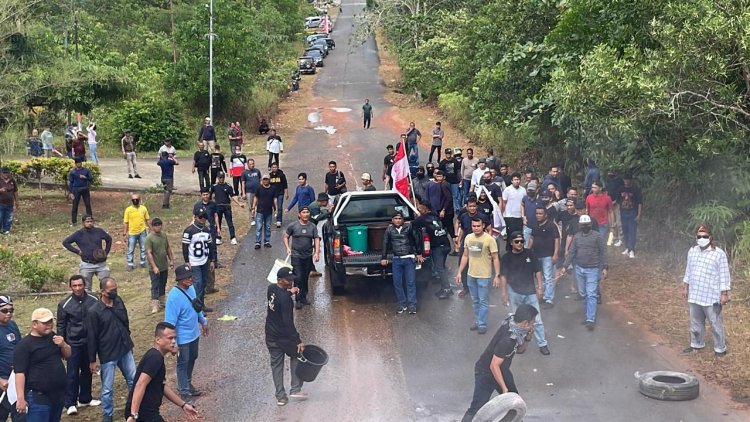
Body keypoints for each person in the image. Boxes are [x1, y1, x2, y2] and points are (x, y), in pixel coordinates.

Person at [460, 305, 538, 422]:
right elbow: (493, 365)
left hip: (502, 370)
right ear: (525, 323)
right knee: (477, 407)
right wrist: (504, 388)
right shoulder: (508, 340)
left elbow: (520, 350)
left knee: (514, 403)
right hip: (485, 372)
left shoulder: (515, 328)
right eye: (533, 322)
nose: (534, 324)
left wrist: (528, 338)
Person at [125, 322, 199, 422]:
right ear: (158, 340)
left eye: (175, 338)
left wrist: (183, 405)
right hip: (144, 414)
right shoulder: (155, 358)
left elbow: (162, 386)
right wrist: (134, 415)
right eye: (170, 338)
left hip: (148, 413)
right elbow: (140, 384)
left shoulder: (157, 356)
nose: (173, 342)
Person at [87, 278, 136, 422]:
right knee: (107, 389)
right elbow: (92, 337)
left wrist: (128, 341)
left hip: (125, 348)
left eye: (116, 288)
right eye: (111, 290)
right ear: (102, 291)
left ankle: (134, 409)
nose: (115, 292)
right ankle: (107, 415)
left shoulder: (119, 301)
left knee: (133, 380)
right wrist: (92, 360)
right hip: (108, 353)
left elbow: (125, 321)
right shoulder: (94, 311)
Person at [13, 308, 71, 421]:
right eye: (45, 323)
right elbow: (19, 373)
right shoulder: (24, 346)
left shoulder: (53, 337)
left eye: (50, 322)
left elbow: (68, 355)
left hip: (58, 394)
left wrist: (63, 344)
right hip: (38, 397)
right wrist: (20, 398)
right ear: (34, 324)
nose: (49, 325)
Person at [682, 224, 731, 357]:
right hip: (695, 294)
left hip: (711, 296)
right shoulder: (692, 251)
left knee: (715, 323)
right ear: (696, 237)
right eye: (699, 236)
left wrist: (724, 294)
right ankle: (696, 344)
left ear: (710, 237)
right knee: (695, 322)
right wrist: (685, 287)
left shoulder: (718, 254)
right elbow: (688, 270)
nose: (702, 238)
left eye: (704, 236)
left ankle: (720, 349)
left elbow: (724, 275)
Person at [57, 276, 101, 416]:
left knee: (88, 370)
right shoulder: (65, 304)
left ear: (84, 285)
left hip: (89, 343)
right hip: (73, 344)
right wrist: (62, 346)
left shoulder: (94, 300)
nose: (77, 288)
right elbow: (61, 326)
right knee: (72, 373)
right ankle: (70, 403)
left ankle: (85, 398)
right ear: (70, 287)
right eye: (74, 285)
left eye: (79, 285)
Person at [501, 231, 550, 355]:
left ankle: (542, 344)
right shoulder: (506, 257)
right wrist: (504, 293)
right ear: (511, 243)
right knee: (518, 321)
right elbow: (503, 276)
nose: (520, 244)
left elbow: (538, 271)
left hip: (530, 293)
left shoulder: (530, 254)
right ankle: (519, 343)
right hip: (514, 292)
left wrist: (540, 287)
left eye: (522, 241)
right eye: (516, 241)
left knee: (537, 320)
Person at [165, 264, 208, 404]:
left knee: (193, 357)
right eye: (187, 278)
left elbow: (197, 307)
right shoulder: (173, 297)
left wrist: (203, 321)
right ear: (179, 279)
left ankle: (188, 384)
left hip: (194, 334)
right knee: (183, 362)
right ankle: (183, 391)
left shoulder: (191, 289)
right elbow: (170, 323)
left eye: (191, 276)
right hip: (182, 338)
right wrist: (174, 343)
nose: (191, 279)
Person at [265, 267, 306, 406]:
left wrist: (289, 292)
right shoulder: (286, 300)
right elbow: (288, 322)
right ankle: (295, 389)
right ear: (279, 280)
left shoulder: (271, 289)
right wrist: (298, 340)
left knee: (276, 365)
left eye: (292, 279)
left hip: (270, 335)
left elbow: (280, 295)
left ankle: (280, 397)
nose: (291, 282)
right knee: (297, 354)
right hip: (283, 336)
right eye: (288, 280)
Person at [562, 215, 608, 330]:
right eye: (583, 225)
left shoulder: (597, 236)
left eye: (586, 225)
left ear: (590, 225)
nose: (585, 227)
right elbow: (572, 252)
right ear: (580, 226)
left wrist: (605, 267)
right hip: (579, 269)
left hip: (593, 269)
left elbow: (603, 252)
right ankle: (588, 315)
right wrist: (565, 266)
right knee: (583, 293)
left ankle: (590, 319)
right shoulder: (577, 237)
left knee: (591, 294)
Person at [455, 217, 500, 334]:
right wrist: (459, 272)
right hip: (471, 275)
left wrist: (497, 275)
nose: (476, 228)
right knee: (475, 300)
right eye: (474, 226)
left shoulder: (490, 240)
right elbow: (465, 256)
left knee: (483, 301)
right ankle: (478, 320)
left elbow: (495, 258)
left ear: (483, 226)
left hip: (484, 276)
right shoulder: (468, 238)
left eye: (478, 226)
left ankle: (482, 324)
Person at [382, 212, 424, 314]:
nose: (398, 220)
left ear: (403, 220)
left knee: (410, 282)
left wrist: (418, 253)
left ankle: (412, 305)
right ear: (392, 220)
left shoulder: (408, 227)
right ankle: (402, 304)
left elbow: (416, 239)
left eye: (400, 218)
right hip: (396, 259)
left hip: (409, 258)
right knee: (397, 282)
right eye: (395, 218)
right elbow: (385, 242)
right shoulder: (389, 229)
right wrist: (384, 257)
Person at [283, 208, 321, 309]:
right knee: (298, 277)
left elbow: (316, 239)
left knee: (305, 277)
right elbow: (286, 236)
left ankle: (304, 297)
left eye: (307, 212)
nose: (306, 214)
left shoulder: (312, 226)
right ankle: (298, 299)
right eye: (303, 212)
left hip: (308, 256)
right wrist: (287, 248)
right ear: (299, 214)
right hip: (296, 256)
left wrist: (316, 253)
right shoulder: (293, 226)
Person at [63, 215, 112, 290]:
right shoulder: (79, 234)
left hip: (101, 264)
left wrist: (106, 252)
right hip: (86, 264)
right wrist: (77, 251)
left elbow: (109, 239)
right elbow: (66, 242)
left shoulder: (99, 231)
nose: (89, 223)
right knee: (86, 288)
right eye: (87, 222)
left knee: (106, 285)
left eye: (91, 221)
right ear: (83, 223)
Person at [415, 200, 452, 299]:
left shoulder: (423, 219)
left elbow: (411, 224)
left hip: (438, 247)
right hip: (446, 245)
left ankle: (447, 289)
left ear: (424, 208)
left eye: (419, 207)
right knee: (442, 268)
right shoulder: (436, 216)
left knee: (440, 269)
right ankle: (444, 287)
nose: (418, 209)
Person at [182, 208, 216, 305]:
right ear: (195, 217)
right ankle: (196, 305)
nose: (203, 219)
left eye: (205, 216)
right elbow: (185, 246)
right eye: (200, 217)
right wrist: (187, 261)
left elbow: (210, 245)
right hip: (194, 262)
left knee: (204, 282)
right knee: (198, 283)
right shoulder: (189, 230)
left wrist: (212, 260)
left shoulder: (206, 230)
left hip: (204, 261)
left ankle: (201, 304)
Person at [528, 207, 560, 309]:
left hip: (547, 255)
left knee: (548, 277)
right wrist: (528, 251)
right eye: (537, 213)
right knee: (539, 277)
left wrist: (555, 254)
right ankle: (541, 296)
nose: (538, 215)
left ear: (545, 215)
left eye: (540, 213)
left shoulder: (551, 225)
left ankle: (549, 299)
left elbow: (556, 239)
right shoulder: (534, 225)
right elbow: (532, 238)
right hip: (536, 255)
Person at [145, 218, 174, 314]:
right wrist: (154, 267)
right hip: (155, 267)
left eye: (159, 225)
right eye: (156, 225)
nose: (158, 227)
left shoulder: (163, 235)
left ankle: (162, 301)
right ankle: (154, 304)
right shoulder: (149, 238)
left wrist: (171, 260)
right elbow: (149, 253)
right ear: (152, 226)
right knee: (155, 285)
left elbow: (168, 248)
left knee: (163, 283)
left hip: (163, 265)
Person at [0, 296, 21, 421]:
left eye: (11, 310)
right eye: (4, 310)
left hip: (14, 379)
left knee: (19, 413)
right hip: (2, 380)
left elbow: (19, 346)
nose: (8, 313)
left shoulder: (12, 325)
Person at [211, 172, 245, 245]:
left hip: (226, 206)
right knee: (218, 222)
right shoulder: (214, 186)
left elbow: (232, 196)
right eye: (220, 177)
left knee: (230, 222)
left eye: (223, 177)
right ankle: (218, 237)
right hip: (218, 206)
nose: (221, 179)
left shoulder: (228, 186)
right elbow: (210, 196)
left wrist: (239, 203)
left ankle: (233, 237)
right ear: (217, 178)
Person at [123, 193, 151, 271]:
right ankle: (130, 264)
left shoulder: (143, 208)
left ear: (140, 200)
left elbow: (147, 219)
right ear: (131, 200)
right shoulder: (128, 210)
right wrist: (124, 233)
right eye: (133, 200)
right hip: (132, 232)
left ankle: (143, 262)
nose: (135, 201)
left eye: (137, 199)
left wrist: (151, 228)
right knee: (130, 249)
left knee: (143, 247)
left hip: (142, 231)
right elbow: (126, 222)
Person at [618, 173, 642, 258]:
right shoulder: (621, 188)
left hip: (632, 212)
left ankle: (632, 249)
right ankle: (627, 247)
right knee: (625, 230)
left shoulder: (636, 189)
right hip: (623, 212)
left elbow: (639, 202)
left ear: (631, 180)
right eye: (625, 179)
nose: (626, 181)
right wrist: (619, 213)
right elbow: (619, 202)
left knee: (632, 230)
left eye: (627, 179)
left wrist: (639, 214)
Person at [253, 175, 277, 249]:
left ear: (269, 180)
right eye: (264, 179)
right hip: (260, 211)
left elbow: (275, 199)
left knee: (268, 227)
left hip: (269, 211)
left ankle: (267, 241)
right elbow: (256, 197)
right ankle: (258, 242)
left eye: (267, 179)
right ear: (262, 180)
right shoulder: (259, 188)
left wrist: (276, 209)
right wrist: (253, 207)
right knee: (259, 227)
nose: (265, 181)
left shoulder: (273, 188)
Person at [68, 157, 93, 225]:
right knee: (75, 205)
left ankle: (90, 219)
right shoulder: (73, 171)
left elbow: (91, 178)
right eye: (78, 163)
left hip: (85, 188)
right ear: (76, 164)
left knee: (87, 204)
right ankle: (74, 221)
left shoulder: (86, 170)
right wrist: (70, 192)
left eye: (80, 163)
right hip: (76, 189)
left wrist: (85, 177)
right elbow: (71, 182)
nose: (79, 164)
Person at [520, 181, 543, 247]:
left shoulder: (540, 200)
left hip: (538, 227)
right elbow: (522, 205)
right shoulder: (525, 198)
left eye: (532, 190)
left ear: (536, 190)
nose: (530, 191)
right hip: (527, 226)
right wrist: (523, 216)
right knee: (525, 245)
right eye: (529, 190)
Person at [439, 148, 461, 212]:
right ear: (445, 154)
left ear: (451, 154)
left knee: (455, 195)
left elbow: (458, 171)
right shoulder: (442, 162)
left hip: (454, 181)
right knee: (446, 195)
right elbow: (440, 173)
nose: (448, 155)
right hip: (446, 182)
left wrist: (460, 179)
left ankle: (457, 208)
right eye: (447, 153)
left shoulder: (455, 161)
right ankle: (446, 207)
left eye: (449, 153)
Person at [241, 159, 262, 226]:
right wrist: (243, 193)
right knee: (251, 206)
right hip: (249, 191)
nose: (252, 165)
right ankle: (252, 218)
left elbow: (260, 180)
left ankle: (259, 218)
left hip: (258, 191)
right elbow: (243, 183)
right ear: (247, 164)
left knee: (259, 205)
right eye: (250, 164)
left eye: (253, 164)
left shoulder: (257, 171)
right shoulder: (244, 173)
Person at [269, 163, 289, 228]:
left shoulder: (282, 175)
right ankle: (276, 215)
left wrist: (286, 193)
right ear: (271, 168)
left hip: (280, 193)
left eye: (275, 167)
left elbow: (285, 185)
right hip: (272, 194)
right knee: (275, 206)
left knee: (279, 207)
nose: (274, 168)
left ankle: (279, 220)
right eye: (273, 167)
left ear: (277, 167)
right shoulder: (270, 176)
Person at [0, 168, 19, 235]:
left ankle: (6, 230)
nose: (6, 174)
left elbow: (15, 191)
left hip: (10, 203)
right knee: (0, 217)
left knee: (9, 218)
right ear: (1, 173)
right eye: (4, 173)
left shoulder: (12, 181)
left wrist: (17, 201)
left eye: (7, 173)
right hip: (1, 203)